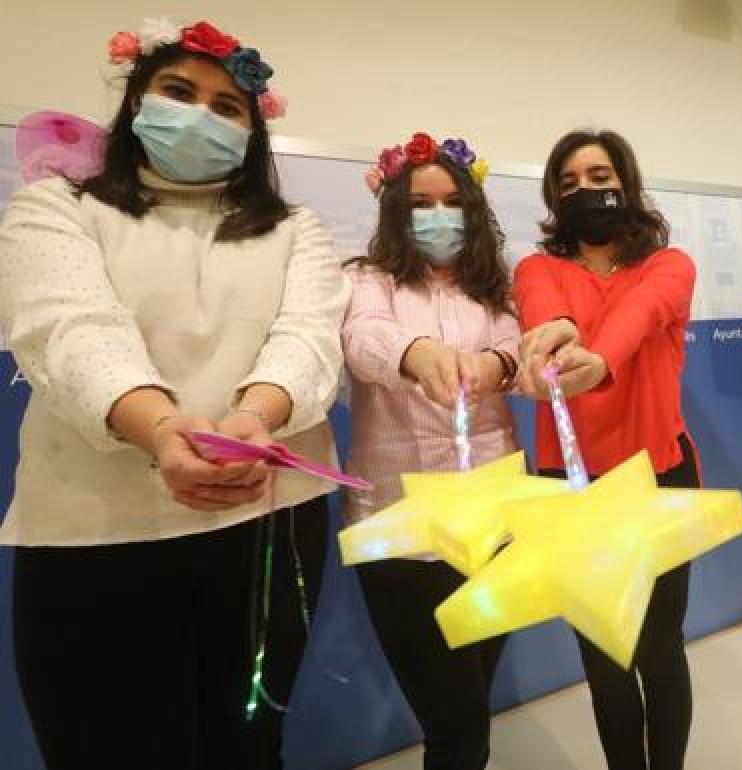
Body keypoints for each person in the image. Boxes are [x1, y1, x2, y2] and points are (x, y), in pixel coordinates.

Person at [0, 18, 348, 769]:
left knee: (249, 745)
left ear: (253, 131)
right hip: (96, 534)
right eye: (179, 92)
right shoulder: (56, 206)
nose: (202, 116)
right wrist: (161, 428)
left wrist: (254, 416)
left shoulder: (295, 228)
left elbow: (309, 336)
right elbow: (70, 327)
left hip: (269, 519)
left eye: (228, 106)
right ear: (134, 101)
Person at [513, 129, 699, 770]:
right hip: (571, 488)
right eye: (568, 183)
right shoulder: (539, 269)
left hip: (660, 477)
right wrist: (555, 335)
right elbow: (544, 308)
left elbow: (645, 311)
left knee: (657, 647)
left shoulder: (669, 266)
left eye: (599, 176)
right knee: (602, 653)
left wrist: (598, 356)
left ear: (625, 180)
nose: (586, 191)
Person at [341, 132, 516, 770]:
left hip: (495, 524)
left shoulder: (493, 288)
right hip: (398, 525)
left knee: (472, 701)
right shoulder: (364, 279)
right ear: (394, 209)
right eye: (420, 202)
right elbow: (364, 340)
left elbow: (522, 358)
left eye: (452, 202)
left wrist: (498, 363)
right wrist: (417, 357)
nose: (439, 215)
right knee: (457, 723)